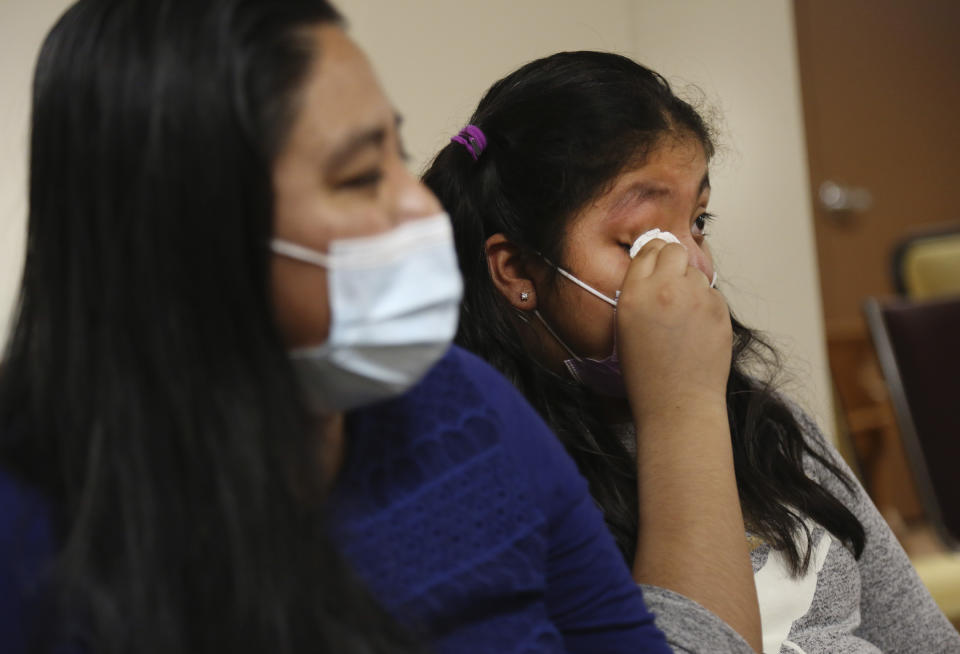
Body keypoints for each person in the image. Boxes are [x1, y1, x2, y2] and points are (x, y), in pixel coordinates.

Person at [0, 5, 674, 653]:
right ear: (187, 238)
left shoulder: (471, 408)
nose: (420, 207)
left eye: (397, 154)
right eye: (357, 178)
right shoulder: (31, 531)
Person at [423, 50, 960, 653]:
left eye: (699, 221)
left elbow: (922, 640)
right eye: (643, 239)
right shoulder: (477, 478)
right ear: (517, 268)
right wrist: (681, 404)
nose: (692, 265)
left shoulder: (767, 428)